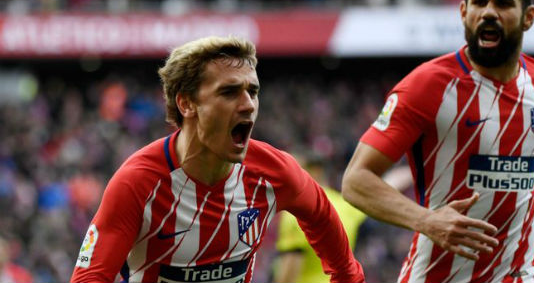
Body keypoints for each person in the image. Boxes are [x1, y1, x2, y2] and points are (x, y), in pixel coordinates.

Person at [341, 0, 534, 283]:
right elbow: (355, 180)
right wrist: (426, 220)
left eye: (503, 3)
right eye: (479, 1)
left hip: (523, 275)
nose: (489, 13)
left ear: (528, 17)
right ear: (464, 12)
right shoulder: (428, 86)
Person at [70, 36, 365, 283]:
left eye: (253, 91)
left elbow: (335, 245)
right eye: (229, 92)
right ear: (186, 103)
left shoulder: (275, 172)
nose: (248, 105)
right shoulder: (138, 183)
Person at [273, 156, 412, 283]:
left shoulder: (295, 212)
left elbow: (288, 273)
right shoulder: (343, 206)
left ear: (314, 172)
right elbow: (389, 184)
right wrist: (412, 171)